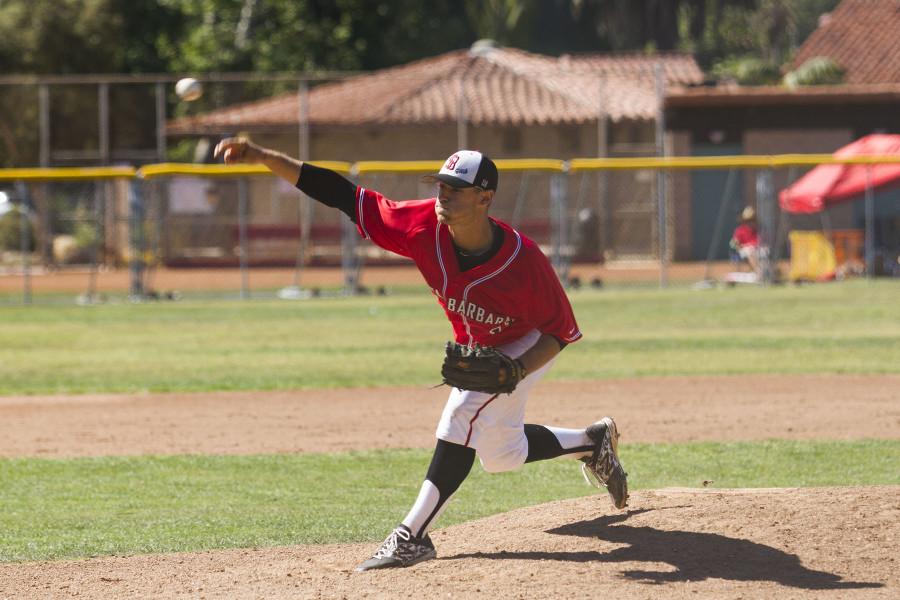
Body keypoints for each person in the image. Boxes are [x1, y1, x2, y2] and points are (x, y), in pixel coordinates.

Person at [213, 138, 629, 571]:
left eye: (455, 189)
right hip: (481, 347)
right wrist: (264, 157)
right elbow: (342, 195)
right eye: (440, 186)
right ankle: (591, 440)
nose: (442, 196)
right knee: (501, 455)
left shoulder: (524, 262)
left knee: (462, 414)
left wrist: (516, 369)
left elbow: (561, 331)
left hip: (526, 342)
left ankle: (411, 537)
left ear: (485, 198)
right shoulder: (420, 225)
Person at [730, 206, 761, 274]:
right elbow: (733, 244)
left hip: (758, 249)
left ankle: (767, 272)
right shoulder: (740, 230)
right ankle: (759, 273)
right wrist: (741, 247)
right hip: (745, 250)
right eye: (749, 220)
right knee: (750, 251)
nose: (751, 222)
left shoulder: (759, 230)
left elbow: (762, 242)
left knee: (765, 252)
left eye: (753, 220)